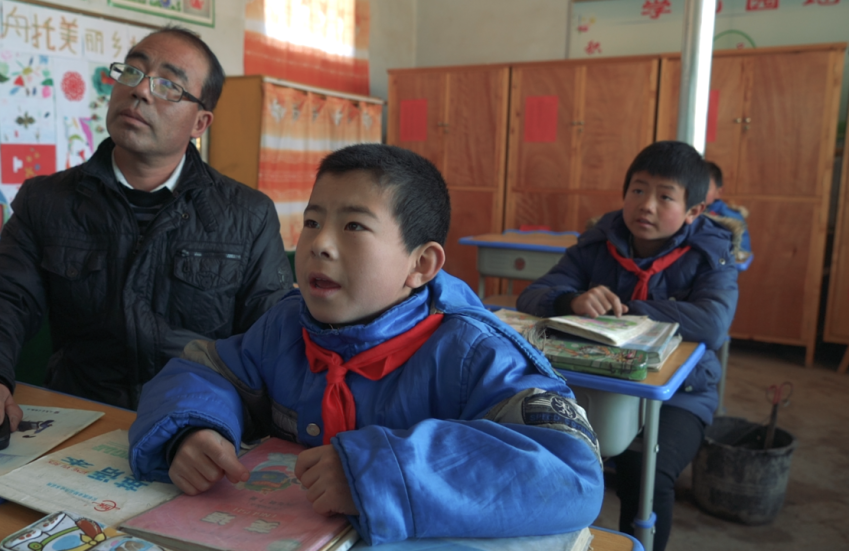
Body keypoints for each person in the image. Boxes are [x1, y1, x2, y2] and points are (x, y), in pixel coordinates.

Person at [128, 144, 604, 545]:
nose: (320, 245)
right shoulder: (285, 326)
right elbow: (207, 372)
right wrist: (191, 431)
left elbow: (570, 468)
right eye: (312, 222)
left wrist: (376, 475)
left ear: (421, 264)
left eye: (353, 226)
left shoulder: (473, 352)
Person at [0, 26, 293, 454]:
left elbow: (270, 346)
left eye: (169, 86)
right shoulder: (49, 201)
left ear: (200, 122)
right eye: (133, 73)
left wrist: (212, 420)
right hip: (83, 425)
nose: (140, 92)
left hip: (199, 429)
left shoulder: (247, 214)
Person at [516, 141, 739, 551]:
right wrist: (571, 301)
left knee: (645, 475)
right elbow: (532, 294)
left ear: (694, 211)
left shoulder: (711, 254)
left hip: (681, 396)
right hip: (600, 387)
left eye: (665, 196)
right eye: (638, 190)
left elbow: (712, 324)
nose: (646, 205)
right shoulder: (599, 242)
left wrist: (625, 311)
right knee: (541, 448)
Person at [704, 161, 751, 255]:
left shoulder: (731, 218)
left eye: (704, 187)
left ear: (719, 192)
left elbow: (742, 254)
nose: (696, 192)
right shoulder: (685, 211)